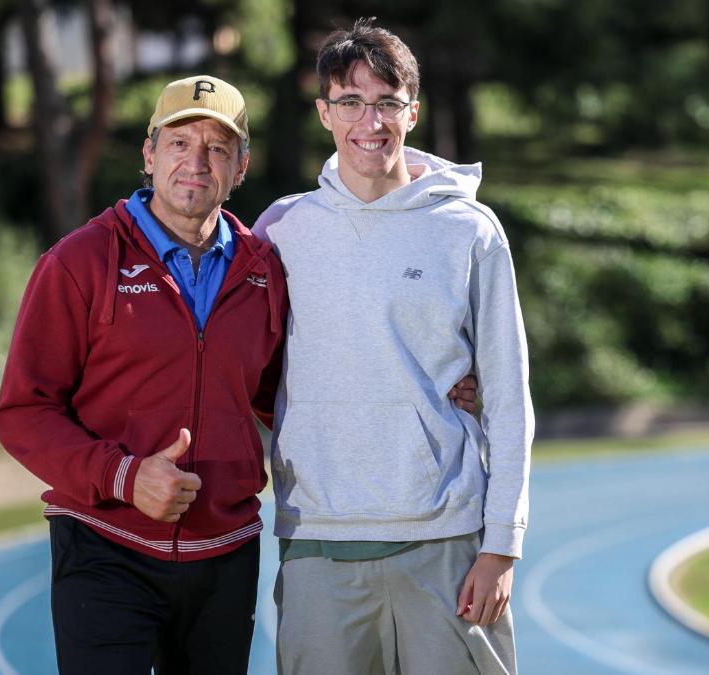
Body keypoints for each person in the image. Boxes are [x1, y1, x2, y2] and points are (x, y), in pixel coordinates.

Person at [0, 73, 478, 674]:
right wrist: (122, 476)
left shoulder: (263, 268)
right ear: (149, 153)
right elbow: (24, 411)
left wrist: (431, 384)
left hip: (224, 554)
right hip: (105, 544)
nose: (196, 163)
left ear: (240, 167)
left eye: (217, 148)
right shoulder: (80, 263)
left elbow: (296, 390)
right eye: (179, 143)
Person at [253, 18, 534, 675]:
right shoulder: (282, 230)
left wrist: (502, 546)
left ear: (414, 110)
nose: (368, 121)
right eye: (349, 101)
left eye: (386, 102)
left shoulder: (468, 229)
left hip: (447, 543)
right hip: (318, 539)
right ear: (324, 112)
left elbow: (509, 395)